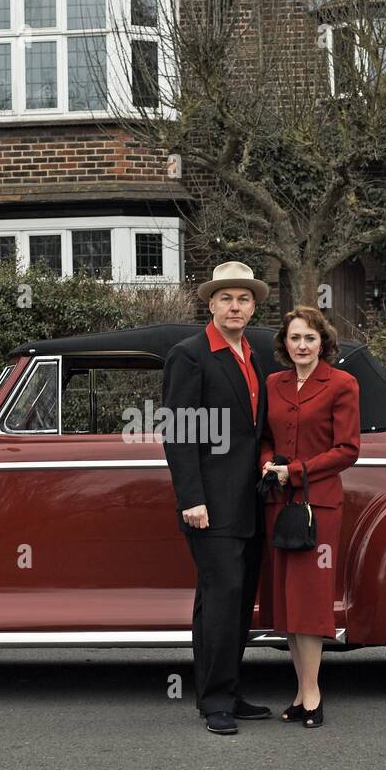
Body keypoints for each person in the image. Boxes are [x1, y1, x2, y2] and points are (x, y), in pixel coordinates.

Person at [162, 261, 273, 736]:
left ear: (253, 308)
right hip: (209, 504)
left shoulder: (254, 356)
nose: (235, 306)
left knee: (235, 600)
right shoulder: (189, 355)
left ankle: (226, 690)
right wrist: (191, 497)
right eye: (226, 298)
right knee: (222, 597)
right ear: (210, 304)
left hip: (249, 501)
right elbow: (178, 432)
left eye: (243, 299)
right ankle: (215, 703)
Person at [259, 306, 360, 729]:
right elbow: (264, 438)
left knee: (310, 600)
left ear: (323, 342)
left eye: (309, 338)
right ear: (285, 343)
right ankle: (301, 693)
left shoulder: (342, 383)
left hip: (318, 507)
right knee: (287, 602)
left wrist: (295, 471)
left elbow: (347, 450)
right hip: (278, 504)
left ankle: (313, 693)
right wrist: (268, 464)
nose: (301, 345)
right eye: (295, 338)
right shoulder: (273, 383)